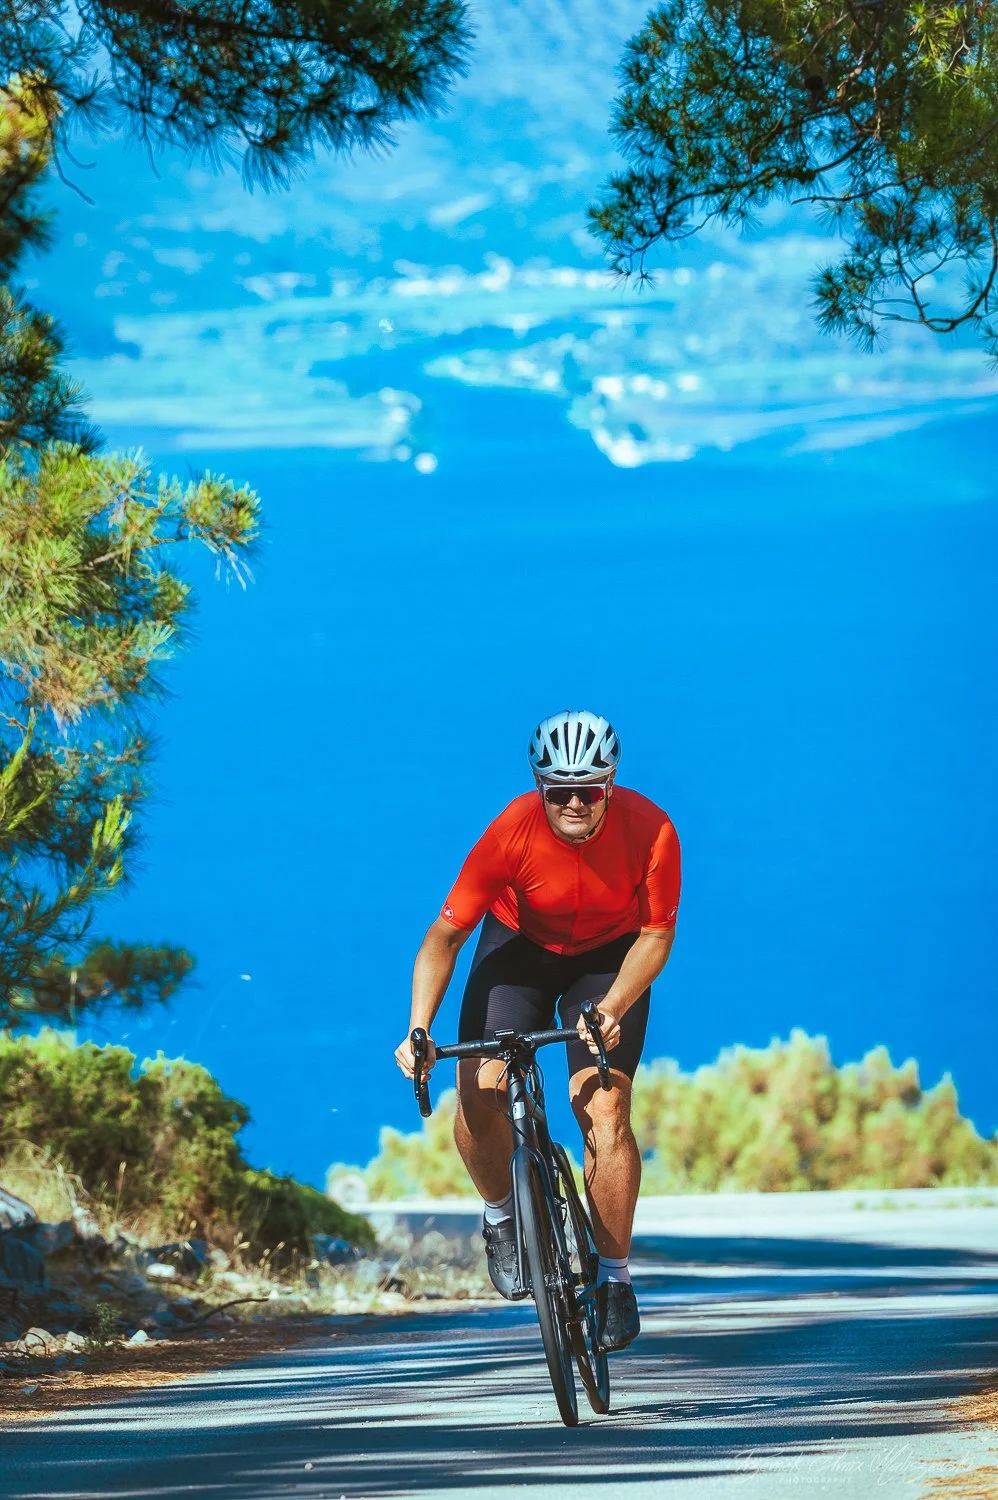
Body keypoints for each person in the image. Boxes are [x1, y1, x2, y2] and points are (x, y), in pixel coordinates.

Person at [395, 709, 680, 1352]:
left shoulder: (653, 829)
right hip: (518, 950)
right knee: (480, 1089)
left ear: (610, 784)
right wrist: (418, 1029)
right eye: (559, 791)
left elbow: (656, 936)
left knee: (605, 1111)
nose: (575, 803)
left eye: (590, 790)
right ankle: (501, 1214)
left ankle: (614, 1278)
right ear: (539, 786)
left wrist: (613, 1007)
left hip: (610, 960)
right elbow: (443, 937)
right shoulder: (510, 832)